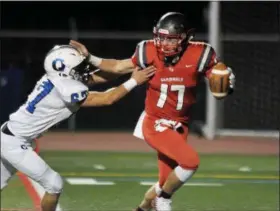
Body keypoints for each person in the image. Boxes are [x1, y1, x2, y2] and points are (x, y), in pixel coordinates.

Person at [70, 11, 236, 211]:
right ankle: (163, 201)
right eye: (161, 38)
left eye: (171, 39)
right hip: (155, 122)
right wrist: (90, 58)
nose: (164, 44)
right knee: (189, 163)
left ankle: (142, 208)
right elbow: (117, 67)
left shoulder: (201, 54)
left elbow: (217, 79)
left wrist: (225, 82)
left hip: (180, 124)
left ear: (186, 38)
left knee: (165, 182)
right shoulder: (148, 51)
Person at [0, 44, 155, 211]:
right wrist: (133, 81)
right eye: (78, 66)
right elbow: (107, 98)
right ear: (66, 70)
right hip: (15, 143)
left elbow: (100, 78)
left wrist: (130, 69)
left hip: (11, 136)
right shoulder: (66, 87)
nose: (83, 69)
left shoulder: (58, 78)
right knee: (54, 184)